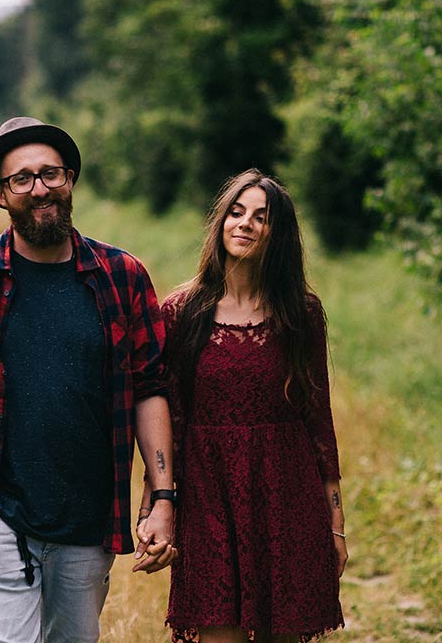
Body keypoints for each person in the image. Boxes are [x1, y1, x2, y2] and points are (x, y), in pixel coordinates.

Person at [0, 116, 177, 643]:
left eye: (52, 173)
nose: (41, 189)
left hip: (88, 517)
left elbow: (149, 388)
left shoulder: (122, 276)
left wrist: (163, 494)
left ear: (71, 179)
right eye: (23, 178)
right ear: (0, 194)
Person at [147, 169, 348, 642]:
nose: (245, 224)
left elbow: (318, 417)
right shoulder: (181, 312)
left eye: (261, 217)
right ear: (220, 223)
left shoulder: (300, 312)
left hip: (285, 490)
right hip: (208, 494)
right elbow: (168, 418)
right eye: (236, 212)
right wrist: (157, 506)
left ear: (278, 234)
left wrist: (335, 519)